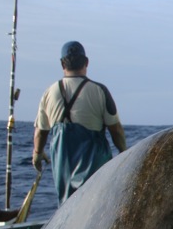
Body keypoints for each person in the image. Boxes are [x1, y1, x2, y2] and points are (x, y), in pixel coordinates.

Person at [33, 41, 128, 205]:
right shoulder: (100, 91)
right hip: (95, 169)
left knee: (67, 208)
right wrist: (124, 153)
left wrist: (37, 153)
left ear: (62, 63)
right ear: (86, 62)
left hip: (63, 167)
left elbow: (41, 132)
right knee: (98, 206)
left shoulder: (49, 93)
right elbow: (116, 130)